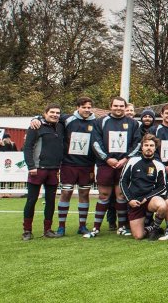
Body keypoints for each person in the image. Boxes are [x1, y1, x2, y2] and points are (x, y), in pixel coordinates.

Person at [88, 97, 142, 238]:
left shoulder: (133, 123)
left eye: (121, 106)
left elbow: (137, 143)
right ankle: (96, 228)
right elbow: (95, 142)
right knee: (104, 196)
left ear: (125, 107)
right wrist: (107, 158)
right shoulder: (101, 122)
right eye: (116, 105)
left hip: (124, 165)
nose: (118, 108)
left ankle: (122, 227)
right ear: (110, 106)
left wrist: (126, 159)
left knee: (121, 196)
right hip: (106, 164)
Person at [22, 104, 65, 240]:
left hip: (53, 169)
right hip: (38, 169)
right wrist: (31, 166)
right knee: (31, 200)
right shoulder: (36, 126)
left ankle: (48, 229)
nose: (55, 114)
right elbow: (27, 148)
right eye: (52, 112)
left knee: (51, 201)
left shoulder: (61, 126)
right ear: (45, 114)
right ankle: (27, 231)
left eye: (57, 112)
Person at [56, 97, 98, 236]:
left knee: (84, 194)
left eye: (89, 107)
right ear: (78, 107)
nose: (87, 110)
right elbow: (50, 117)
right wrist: (36, 118)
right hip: (69, 163)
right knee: (66, 193)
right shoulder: (67, 119)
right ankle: (61, 226)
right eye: (84, 107)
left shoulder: (96, 122)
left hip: (87, 165)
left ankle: (82, 225)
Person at [119, 134, 168, 240]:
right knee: (138, 236)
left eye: (151, 145)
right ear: (142, 147)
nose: (149, 148)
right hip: (135, 202)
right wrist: (130, 200)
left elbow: (163, 187)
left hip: (150, 199)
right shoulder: (132, 161)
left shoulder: (159, 165)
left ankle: (155, 228)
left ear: (155, 148)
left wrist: (147, 197)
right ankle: (150, 227)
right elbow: (122, 182)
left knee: (162, 205)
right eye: (146, 145)